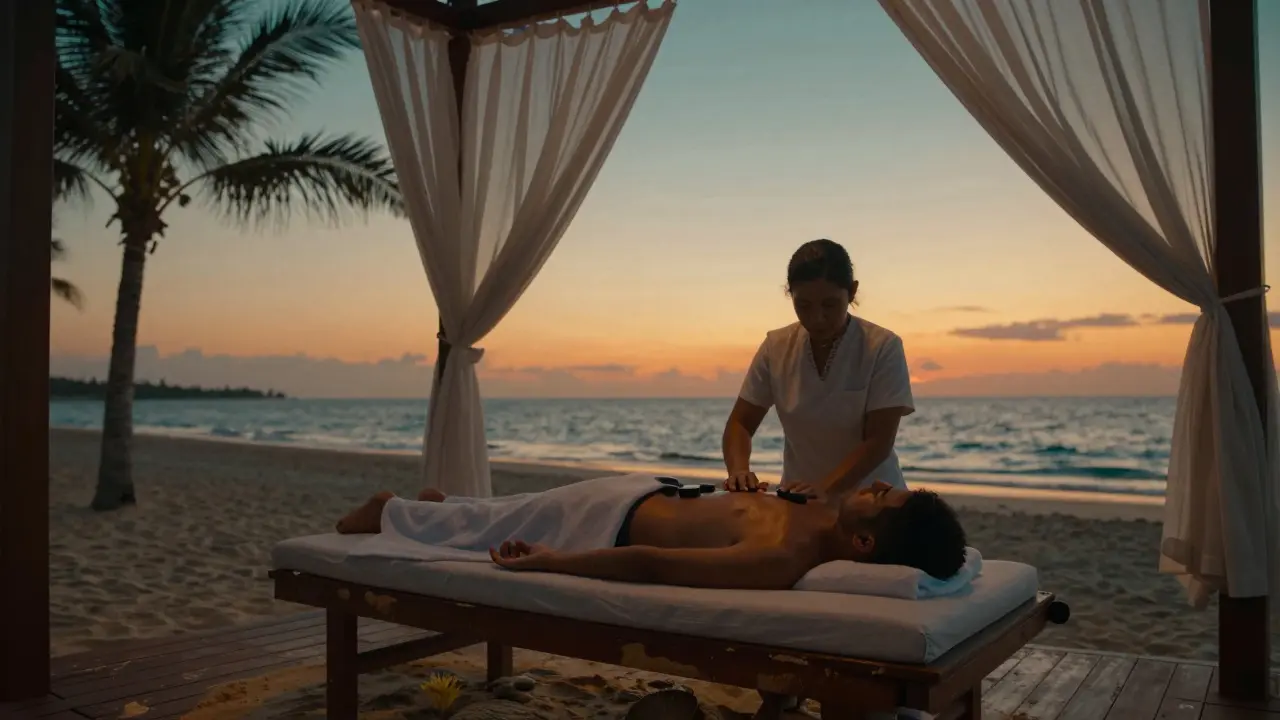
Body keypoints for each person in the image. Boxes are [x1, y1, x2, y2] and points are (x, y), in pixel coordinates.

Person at [335, 478, 967, 588]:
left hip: (610, 522)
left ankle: (389, 510)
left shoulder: (783, 558)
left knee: (519, 521)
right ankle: (444, 508)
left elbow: (653, 564)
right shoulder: (820, 505)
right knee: (517, 509)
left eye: (882, 497)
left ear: (865, 544)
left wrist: (555, 564)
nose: (875, 486)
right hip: (646, 488)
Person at [723, 238, 915, 502]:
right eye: (804, 306)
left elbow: (878, 442)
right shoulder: (776, 346)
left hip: (872, 503)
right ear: (790, 294)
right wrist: (739, 471)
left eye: (829, 305)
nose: (817, 318)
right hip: (798, 499)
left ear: (852, 291)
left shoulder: (882, 346)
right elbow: (741, 422)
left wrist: (824, 489)